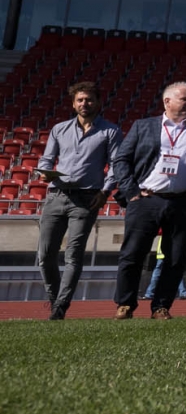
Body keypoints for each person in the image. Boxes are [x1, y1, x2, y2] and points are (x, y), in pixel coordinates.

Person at [108, 82, 186, 320]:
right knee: (132, 254)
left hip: (183, 202)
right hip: (146, 199)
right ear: (167, 101)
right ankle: (125, 304)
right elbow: (121, 160)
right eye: (185, 99)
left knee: (175, 257)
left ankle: (161, 306)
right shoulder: (143, 126)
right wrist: (131, 192)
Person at [34, 82, 120, 320]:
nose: (85, 104)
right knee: (45, 255)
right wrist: (44, 172)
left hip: (87, 198)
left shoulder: (110, 131)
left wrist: (105, 192)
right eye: (80, 100)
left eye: (89, 99)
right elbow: (47, 159)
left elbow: (116, 165)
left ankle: (61, 307)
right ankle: (55, 299)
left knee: (73, 254)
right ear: (73, 104)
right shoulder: (59, 129)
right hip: (56, 195)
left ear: (98, 102)